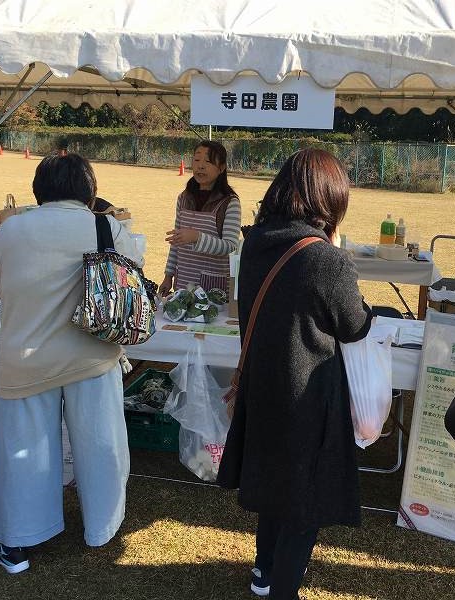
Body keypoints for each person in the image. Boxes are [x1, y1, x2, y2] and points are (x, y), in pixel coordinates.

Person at [217, 149, 373, 600]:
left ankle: (263, 572)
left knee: (272, 485)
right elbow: (354, 324)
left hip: (260, 386)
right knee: (304, 502)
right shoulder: (326, 258)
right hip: (307, 395)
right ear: (328, 199)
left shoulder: (257, 242)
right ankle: (283, 586)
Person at [0, 152, 143, 573]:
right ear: (90, 190)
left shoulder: (11, 230)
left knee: (24, 452)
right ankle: (102, 528)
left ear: (39, 188)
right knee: (102, 445)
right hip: (94, 356)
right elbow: (135, 267)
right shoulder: (105, 226)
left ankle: (17, 543)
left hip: (26, 358)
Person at [158, 140, 241, 296]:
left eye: (208, 161)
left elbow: (230, 246)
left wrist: (197, 237)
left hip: (214, 290)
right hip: (183, 284)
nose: (200, 166)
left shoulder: (230, 202)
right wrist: (168, 276)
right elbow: (176, 242)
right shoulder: (183, 198)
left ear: (221, 168)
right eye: (196, 160)